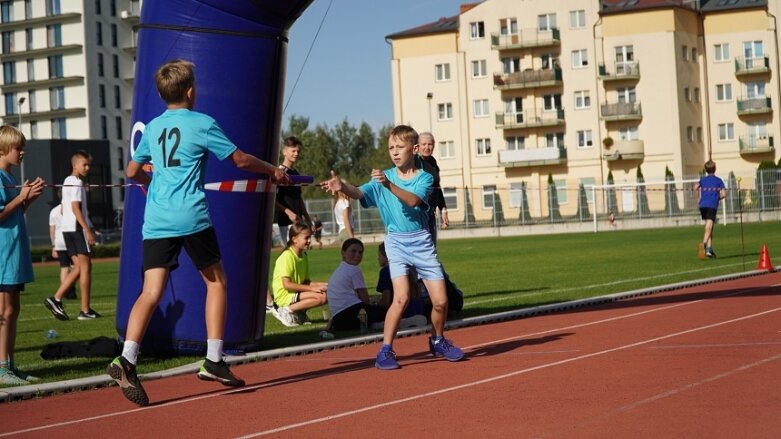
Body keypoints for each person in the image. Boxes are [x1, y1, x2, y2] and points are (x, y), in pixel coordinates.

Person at [106, 59, 289, 407]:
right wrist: (272, 170)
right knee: (216, 282)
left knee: (151, 291)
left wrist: (151, 182)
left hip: (157, 219)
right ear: (191, 91)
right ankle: (214, 359)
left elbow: (132, 169)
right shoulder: (203, 123)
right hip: (190, 216)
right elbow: (239, 160)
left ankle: (127, 358)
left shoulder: (156, 126)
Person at [320, 124, 464, 370]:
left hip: (421, 241)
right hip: (396, 243)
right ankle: (385, 350)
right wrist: (342, 186)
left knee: (440, 302)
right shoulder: (382, 178)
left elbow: (412, 200)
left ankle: (438, 340)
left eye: (400, 147)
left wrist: (387, 184)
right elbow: (358, 192)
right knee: (401, 298)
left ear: (415, 149)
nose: (394, 152)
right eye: (390, 148)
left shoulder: (424, 177)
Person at [0, 125, 45, 385]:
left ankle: (11, 365)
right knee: (5, 310)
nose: (22, 153)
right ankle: (2, 367)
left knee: (13, 308)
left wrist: (29, 198)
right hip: (4, 254)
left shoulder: (9, 178)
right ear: (4, 149)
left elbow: (15, 212)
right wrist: (20, 198)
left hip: (14, 252)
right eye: (18, 148)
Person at [44, 150, 99, 321]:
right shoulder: (75, 182)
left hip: (68, 229)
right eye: (84, 164)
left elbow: (63, 207)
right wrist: (87, 229)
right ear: (75, 165)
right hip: (76, 228)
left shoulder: (67, 181)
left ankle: (59, 300)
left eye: (89, 164)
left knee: (79, 268)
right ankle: (82, 309)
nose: (87, 167)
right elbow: (75, 208)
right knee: (86, 267)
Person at [267, 136, 311, 313]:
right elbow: (273, 196)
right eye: (293, 150)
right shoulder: (278, 171)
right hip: (286, 223)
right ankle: (281, 297)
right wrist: (287, 212)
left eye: (298, 151)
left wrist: (306, 217)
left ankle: (295, 298)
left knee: (299, 258)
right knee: (288, 258)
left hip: (298, 223)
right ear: (284, 151)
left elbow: (298, 198)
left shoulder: (296, 173)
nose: (296, 153)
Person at [270, 222, 328, 327]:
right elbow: (286, 285)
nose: (309, 241)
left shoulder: (303, 255)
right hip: (284, 296)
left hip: (295, 293)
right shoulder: (287, 256)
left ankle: (299, 313)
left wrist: (322, 285)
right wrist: (312, 289)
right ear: (294, 239)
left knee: (325, 294)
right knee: (321, 298)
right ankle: (285, 311)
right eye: (306, 238)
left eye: (309, 237)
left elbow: (306, 282)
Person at [376, 242, 425, 320]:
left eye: (379, 255)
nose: (378, 258)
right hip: (419, 310)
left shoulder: (385, 271)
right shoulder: (409, 268)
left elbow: (386, 302)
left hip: (402, 314)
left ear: (386, 256)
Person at [417, 132, 449, 243]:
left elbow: (437, 187)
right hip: (418, 213)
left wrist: (443, 209)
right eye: (424, 144)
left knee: (432, 247)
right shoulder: (414, 163)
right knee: (423, 247)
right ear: (417, 146)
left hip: (431, 212)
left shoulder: (433, 162)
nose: (427, 147)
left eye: (430, 144)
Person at [695, 160, 726, 259]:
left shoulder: (703, 180)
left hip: (703, 205)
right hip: (712, 205)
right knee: (709, 227)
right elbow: (724, 194)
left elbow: (695, 187)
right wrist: (719, 197)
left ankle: (709, 250)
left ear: (706, 170)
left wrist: (698, 199)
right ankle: (703, 245)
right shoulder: (718, 180)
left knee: (710, 228)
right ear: (715, 169)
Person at [48, 201, 77, 300]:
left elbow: (52, 229)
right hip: (71, 239)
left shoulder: (53, 211)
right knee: (75, 266)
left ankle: (65, 291)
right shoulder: (72, 208)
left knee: (64, 268)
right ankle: (70, 288)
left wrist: (53, 246)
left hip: (59, 241)